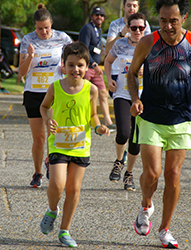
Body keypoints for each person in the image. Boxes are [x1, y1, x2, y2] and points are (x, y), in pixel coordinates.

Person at [127, 0, 191, 248]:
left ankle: (165, 228)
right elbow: (132, 74)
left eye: (174, 21)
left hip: (182, 117)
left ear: (184, 19)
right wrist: (135, 98)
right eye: (163, 20)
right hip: (151, 116)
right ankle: (146, 205)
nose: (167, 26)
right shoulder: (147, 42)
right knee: (153, 173)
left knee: (173, 175)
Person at [39, 42, 110, 247]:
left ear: (87, 67)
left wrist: (98, 128)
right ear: (63, 66)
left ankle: (64, 231)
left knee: (73, 190)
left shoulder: (92, 90)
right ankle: (52, 209)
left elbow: (93, 116)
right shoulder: (55, 87)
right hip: (59, 144)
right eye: (70, 65)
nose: (75, 69)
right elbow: (44, 107)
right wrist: (47, 120)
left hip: (81, 146)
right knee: (57, 184)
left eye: (80, 65)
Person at [17, 3, 72, 188]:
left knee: (53, 134)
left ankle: (52, 164)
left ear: (52, 24)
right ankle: (37, 172)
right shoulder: (27, 40)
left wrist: (66, 68)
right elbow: (21, 73)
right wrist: (30, 56)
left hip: (55, 92)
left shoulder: (62, 38)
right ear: (34, 26)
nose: (43, 32)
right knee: (39, 138)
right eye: (39, 28)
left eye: (47, 28)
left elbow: (75, 58)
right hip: (33, 93)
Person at [104, 12, 146, 191]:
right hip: (122, 93)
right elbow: (107, 60)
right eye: (134, 27)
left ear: (145, 28)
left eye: (141, 27)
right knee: (123, 132)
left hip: (143, 98)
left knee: (136, 141)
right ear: (128, 28)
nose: (137, 31)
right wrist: (109, 79)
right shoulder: (120, 44)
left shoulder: (150, 45)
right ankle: (119, 161)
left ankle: (129, 173)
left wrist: (148, 72)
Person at [78, 6, 116, 131]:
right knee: (84, 94)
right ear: (91, 17)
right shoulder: (87, 28)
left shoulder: (98, 30)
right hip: (87, 67)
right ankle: (82, 119)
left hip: (95, 69)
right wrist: (93, 64)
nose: (99, 17)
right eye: (96, 15)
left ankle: (108, 122)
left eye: (101, 16)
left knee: (103, 93)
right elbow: (83, 48)